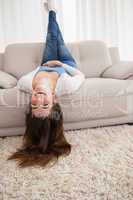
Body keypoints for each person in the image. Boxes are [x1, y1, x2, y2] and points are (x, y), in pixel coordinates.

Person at [7, 0, 85, 168]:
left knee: (51, 38)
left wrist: (45, 67)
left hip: (45, 63)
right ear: (54, 99)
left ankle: (52, 12)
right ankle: (52, 11)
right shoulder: (66, 87)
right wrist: (62, 65)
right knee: (59, 41)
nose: (39, 98)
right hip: (66, 64)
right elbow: (80, 75)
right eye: (46, 104)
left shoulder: (25, 83)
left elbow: (35, 70)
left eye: (35, 106)